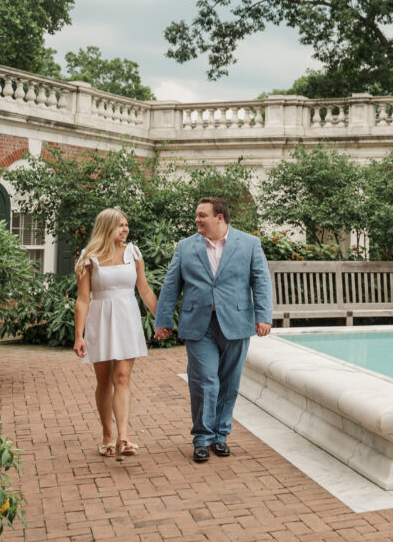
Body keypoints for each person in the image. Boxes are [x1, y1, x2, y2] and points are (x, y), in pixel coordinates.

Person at [153, 197, 273, 462]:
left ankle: (220, 435)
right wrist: (162, 320)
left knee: (229, 381)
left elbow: (261, 281)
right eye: (197, 215)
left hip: (237, 322)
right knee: (205, 379)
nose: (197, 219)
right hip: (199, 324)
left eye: (202, 215)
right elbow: (171, 285)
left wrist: (264, 316)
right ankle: (202, 437)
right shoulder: (185, 247)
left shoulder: (249, 244)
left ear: (220, 218)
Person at [73, 208, 157, 461]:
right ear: (107, 227)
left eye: (126, 225)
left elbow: (143, 289)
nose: (125, 229)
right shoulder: (88, 258)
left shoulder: (134, 253)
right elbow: (83, 299)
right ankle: (107, 436)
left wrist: (161, 319)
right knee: (104, 381)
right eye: (120, 225)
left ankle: (123, 437)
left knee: (122, 377)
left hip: (127, 318)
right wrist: (79, 335)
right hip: (100, 320)